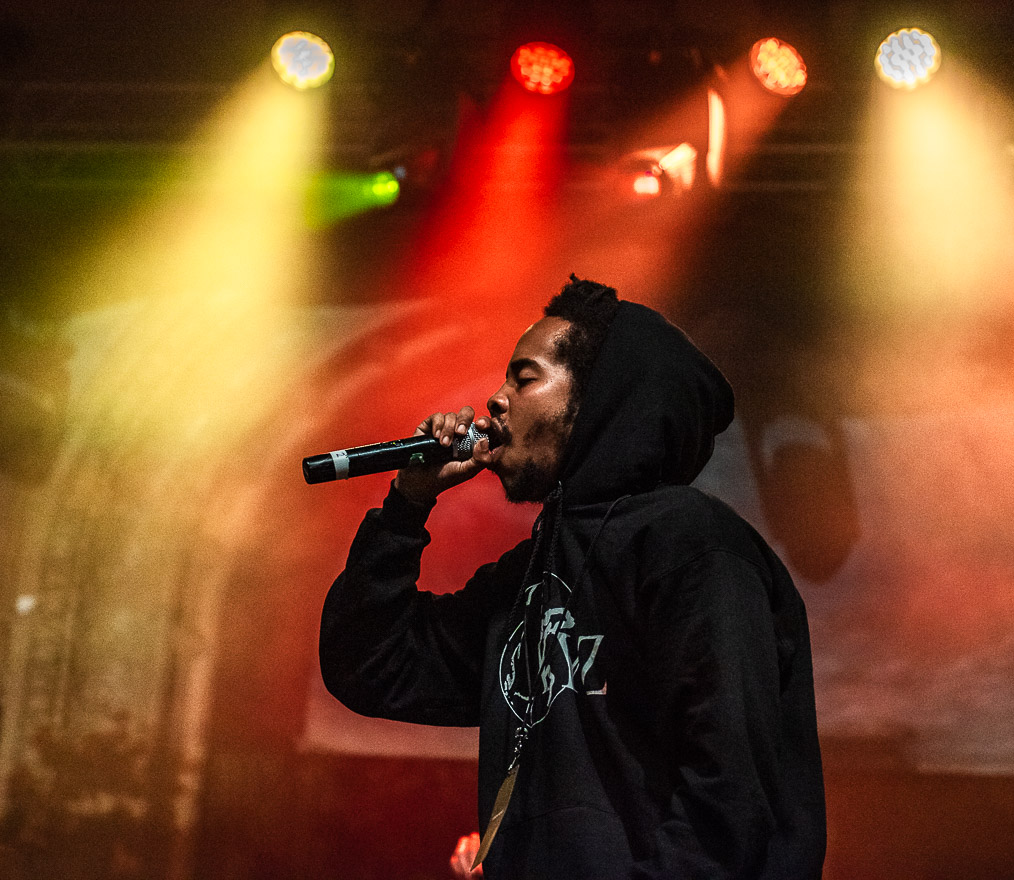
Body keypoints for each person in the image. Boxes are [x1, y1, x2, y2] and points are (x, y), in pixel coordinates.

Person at [319, 276, 827, 879]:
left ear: (595, 399)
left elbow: (727, 799)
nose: (496, 400)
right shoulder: (531, 574)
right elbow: (371, 665)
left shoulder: (694, 547)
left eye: (524, 378)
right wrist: (408, 504)